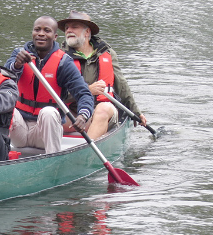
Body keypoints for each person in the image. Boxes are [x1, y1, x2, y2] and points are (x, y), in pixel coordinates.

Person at [4, 16, 94, 154]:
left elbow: (84, 94)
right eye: (37, 30)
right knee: (5, 106)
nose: (41, 33)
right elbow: (3, 79)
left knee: (49, 112)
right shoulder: (19, 54)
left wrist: (82, 116)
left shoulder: (64, 62)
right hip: (19, 131)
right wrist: (17, 65)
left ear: (55, 36)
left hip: (44, 134)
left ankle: (53, 161)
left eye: (47, 30)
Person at [57, 10, 147, 139]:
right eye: (66, 28)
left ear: (87, 32)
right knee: (49, 112)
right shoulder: (60, 57)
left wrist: (136, 112)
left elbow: (121, 84)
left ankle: (86, 152)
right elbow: (53, 94)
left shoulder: (107, 53)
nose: (68, 30)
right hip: (73, 115)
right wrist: (88, 90)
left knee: (104, 108)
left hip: (100, 113)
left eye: (74, 27)